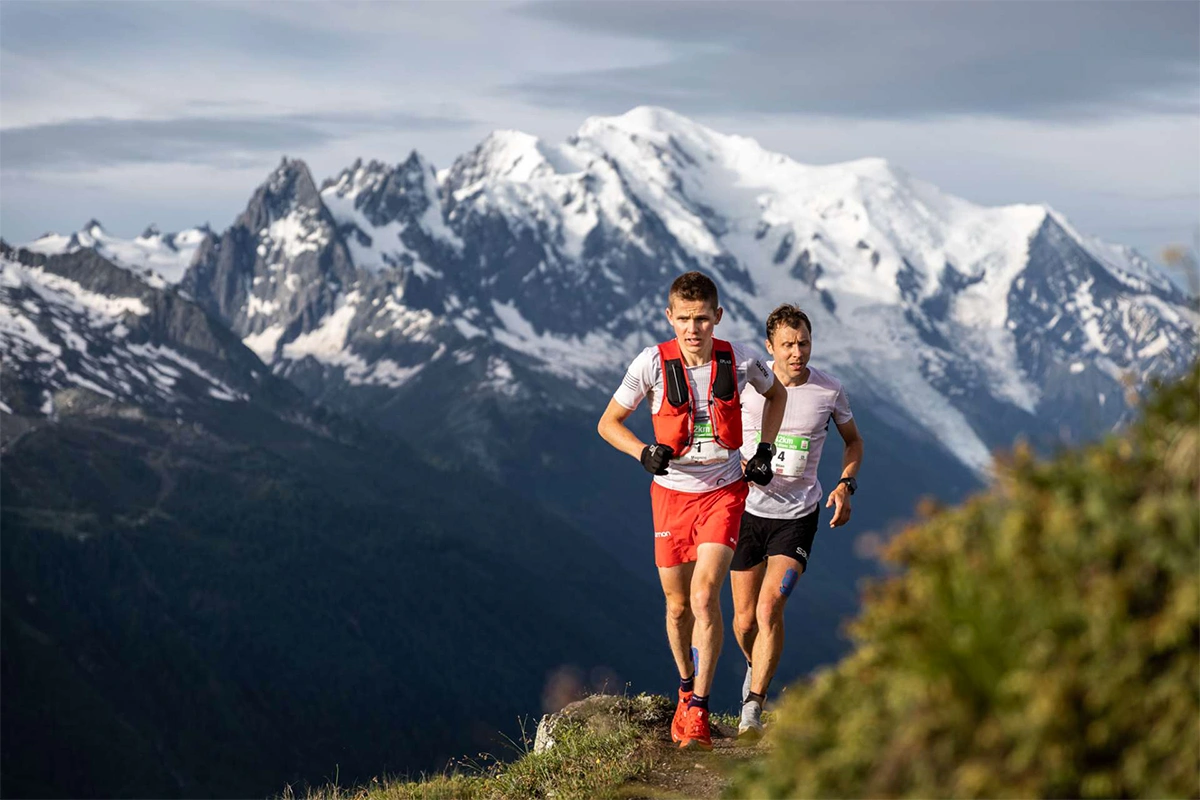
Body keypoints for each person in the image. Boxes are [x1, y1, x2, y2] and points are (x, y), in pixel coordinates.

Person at [597, 271, 786, 750]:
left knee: (704, 598)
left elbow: (777, 393)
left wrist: (764, 448)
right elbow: (608, 423)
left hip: (724, 490)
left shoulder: (739, 357)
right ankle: (685, 688)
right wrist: (642, 452)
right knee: (678, 606)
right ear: (669, 317)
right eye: (683, 319)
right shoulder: (651, 364)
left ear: (717, 317)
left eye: (702, 318)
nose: (693, 328)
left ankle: (699, 709)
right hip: (670, 495)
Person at [730, 303, 864, 740]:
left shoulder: (829, 390)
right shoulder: (750, 384)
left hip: (797, 517)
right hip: (746, 513)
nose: (797, 352)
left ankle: (754, 706)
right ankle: (756, 666)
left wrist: (845, 485)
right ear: (770, 347)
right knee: (744, 622)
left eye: (803, 343)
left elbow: (854, 442)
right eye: (787, 344)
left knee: (770, 609)